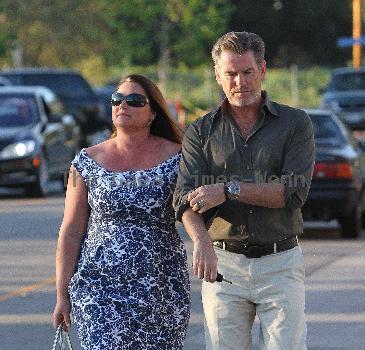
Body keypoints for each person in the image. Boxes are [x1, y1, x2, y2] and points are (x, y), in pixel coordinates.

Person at [173, 31, 315, 350]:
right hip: (224, 265)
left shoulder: (295, 124)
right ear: (218, 76)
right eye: (231, 74)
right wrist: (201, 242)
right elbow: (184, 199)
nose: (240, 82)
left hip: (280, 262)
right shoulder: (201, 131)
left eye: (248, 72)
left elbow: (293, 192)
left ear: (262, 70)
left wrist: (228, 189)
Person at [53, 74, 191, 349]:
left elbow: (191, 209)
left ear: (153, 113)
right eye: (117, 99)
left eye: (135, 100)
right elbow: (71, 230)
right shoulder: (86, 161)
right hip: (99, 286)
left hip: (160, 286)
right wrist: (61, 294)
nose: (122, 105)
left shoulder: (179, 157)